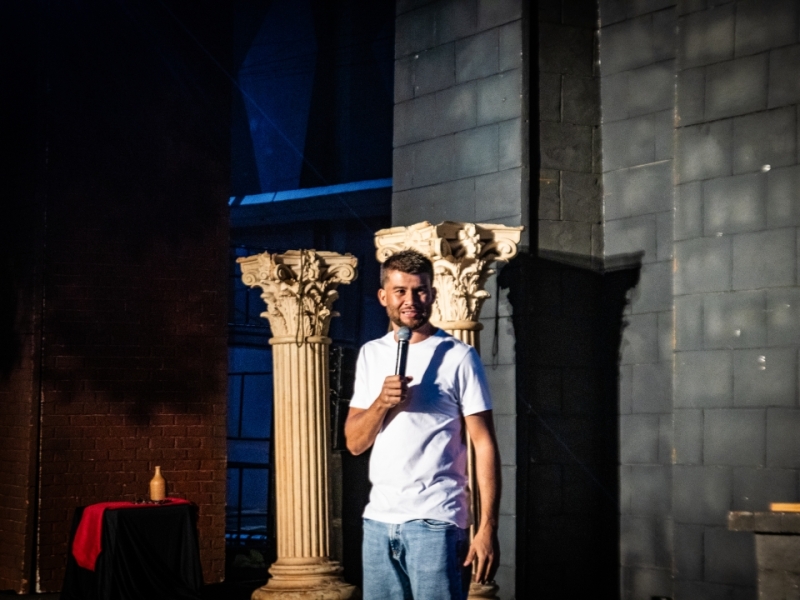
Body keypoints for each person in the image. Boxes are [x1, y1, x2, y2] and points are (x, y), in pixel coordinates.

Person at [345, 249, 501, 600]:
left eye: (420, 291)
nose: (411, 300)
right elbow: (355, 443)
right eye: (400, 291)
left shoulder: (459, 355)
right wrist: (381, 403)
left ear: (432, 294)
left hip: (436, 522)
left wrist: (487, 528)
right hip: (379, 521)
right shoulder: (371, 353)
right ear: (383, 296)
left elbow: (484, 443)